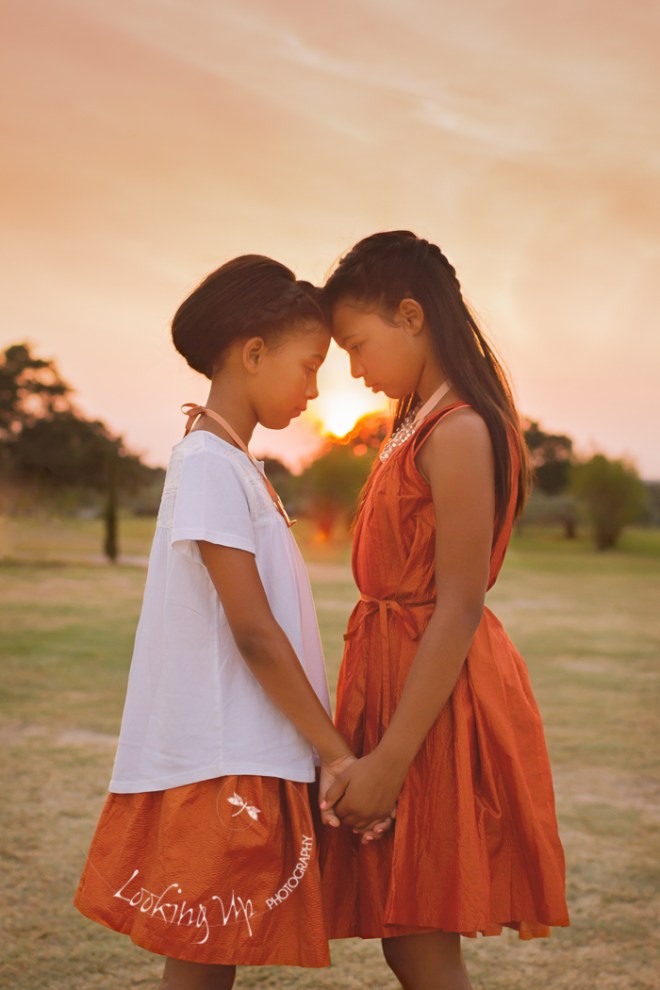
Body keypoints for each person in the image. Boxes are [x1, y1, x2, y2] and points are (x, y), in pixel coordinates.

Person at [74, 255, 358, 989]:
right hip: (225, 759)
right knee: (202, 960)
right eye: (309, 366)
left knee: (212, 957)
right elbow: (254, 633)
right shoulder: (207, 463)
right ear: (253, 353)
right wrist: (335, 753)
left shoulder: (233, 464)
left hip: (247, 750)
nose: (314, 389)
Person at [319, 231, 570, 990]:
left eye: (357, 346)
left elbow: (459, 606)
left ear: (411, 315)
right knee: (407, 937)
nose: (354, 371)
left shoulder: (457, 428)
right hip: (397, 681)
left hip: (431, 704)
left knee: (421, 938)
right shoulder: (414, 423)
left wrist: (390, 761)